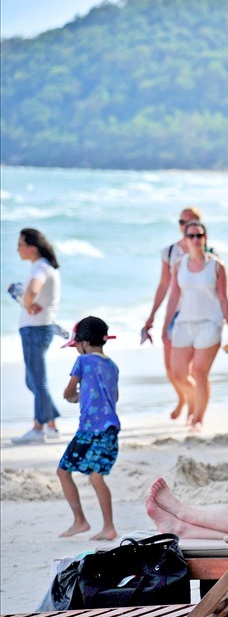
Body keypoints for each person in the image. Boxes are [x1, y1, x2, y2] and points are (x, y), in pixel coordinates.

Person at [161, 220, 228, 431]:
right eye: (191, 236)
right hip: (184, 324)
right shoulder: (179, 265)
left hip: (210, 323)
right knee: (177, 374)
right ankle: (194, 400)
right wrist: (165, 326)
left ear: (205, 238)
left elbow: (223, 298)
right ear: (185, 240)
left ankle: (198, 418)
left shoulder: (217, 266)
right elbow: (174, 297)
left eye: (199, 235)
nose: (195, 239)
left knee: (199, 373)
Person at [57, 317, 119, 540]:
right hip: (110, 428)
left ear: (83, 343)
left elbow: (69, 391)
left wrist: (72, 397)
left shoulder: (82, 363)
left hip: (89, 430)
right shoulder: (112, 365)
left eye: (75, 346)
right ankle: (108, 526)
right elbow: (113, 396)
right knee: (96, 477)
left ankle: (80, 521)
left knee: (63, 471)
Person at [143, 206, 201, 421]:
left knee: (192, 369)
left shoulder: (208, 252)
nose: (185, 226)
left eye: (190, 221)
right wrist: (152, 316)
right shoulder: (170, 252)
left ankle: (196, 407)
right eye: (181, 222)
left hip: (198, 316)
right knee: (172, 370)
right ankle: (184, 398)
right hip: (175, 315)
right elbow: (163, 285)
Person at [13, 228, 62, 444]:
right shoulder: (43, 266)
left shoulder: (40, 267)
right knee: (31, 380)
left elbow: (33, 290)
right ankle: (51, 425)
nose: (18, 249)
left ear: (31, 247)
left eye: (20, 244)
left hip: (35, 329)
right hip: (39, 328)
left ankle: (37, 428)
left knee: (37, 380)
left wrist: (26, 302)